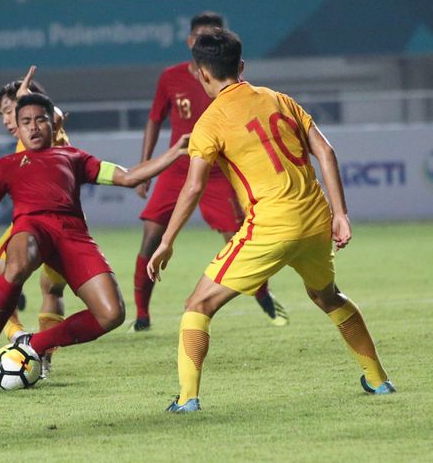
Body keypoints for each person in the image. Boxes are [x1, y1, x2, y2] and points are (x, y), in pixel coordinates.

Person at [146, 29, 395, 413]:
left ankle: (186, 398)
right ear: (241, 67)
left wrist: (167, 242)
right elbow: (326, 152)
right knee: (327, 296)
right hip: (315, 219)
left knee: (198, 304)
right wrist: (340, 213)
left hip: (271, 225)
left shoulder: (209, 123)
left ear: (201, 74)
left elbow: (193, 187)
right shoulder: (280, 99)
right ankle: (378, 381)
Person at [0, 93, 189, 385]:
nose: (34, 127)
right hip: (32, 228)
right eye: (26, 122)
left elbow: (129, 176)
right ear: (17, 129)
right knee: (18, 261)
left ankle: (34, 344)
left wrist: (174, 152)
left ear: (54, 125)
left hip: (73, 236)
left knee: (112, 314)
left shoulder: (74, 158)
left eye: (40, 120)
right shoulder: (8, 165)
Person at [132, 12, 288, 331]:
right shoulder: (170, 78)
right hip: (176, 169)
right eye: (201, 35)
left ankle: (264, 296)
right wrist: (146, 166)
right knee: (150, 236)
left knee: (238, 237)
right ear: (190, 41)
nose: (205, 40)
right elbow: (154, 119)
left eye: (213, 35)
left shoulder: (227, 80)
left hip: (217, 170)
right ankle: (142, 316)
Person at [0, 69, 71, 377]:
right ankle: (30, 347)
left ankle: (25, 342)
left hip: (38, 225)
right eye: (3, 113)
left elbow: (52, 112)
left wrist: (24, 97)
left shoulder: (48, 129)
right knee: (48, 290)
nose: (6, 119)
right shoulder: (36, 136)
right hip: (56, 225)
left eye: (9, 111)